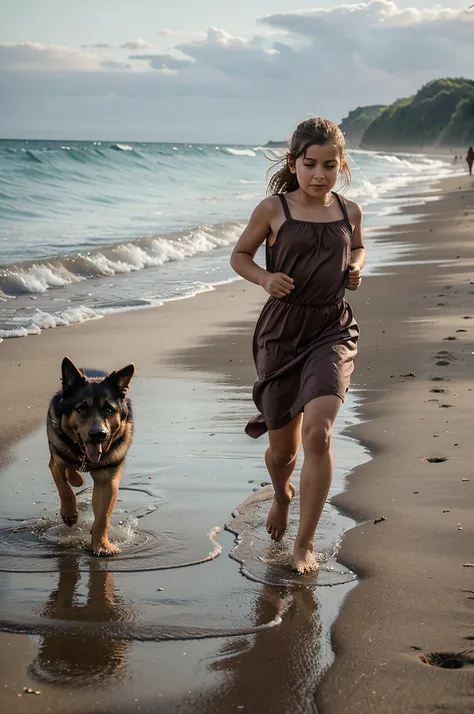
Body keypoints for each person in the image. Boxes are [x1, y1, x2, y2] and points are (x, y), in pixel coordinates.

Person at [230, 118, 365, 574]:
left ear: (340, 165)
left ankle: (304, 543)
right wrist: (265, 278)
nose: (319, 174)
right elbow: (240, 256)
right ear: (295, 163)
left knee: (318, 434)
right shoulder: (273, 209)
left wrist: (356, 267)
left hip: (332, 327)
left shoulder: (349, 211)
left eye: (329, 165)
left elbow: (359, 247)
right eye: (310, 164)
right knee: (283, 452)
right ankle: (282, 493)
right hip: (282, 335)